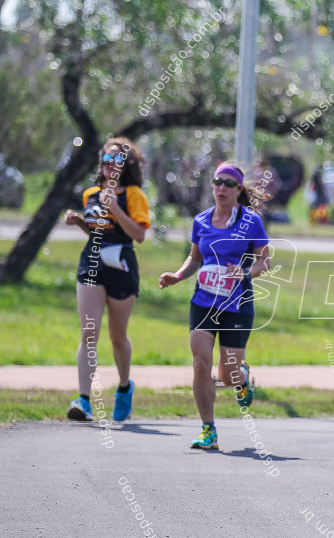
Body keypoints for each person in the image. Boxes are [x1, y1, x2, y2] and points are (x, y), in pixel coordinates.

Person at [158, 162, 272, 450]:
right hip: (203, 302)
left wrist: (245, 273)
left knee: (227, 375)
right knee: (200, 362)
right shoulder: (201, 221)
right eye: (217, 182)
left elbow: (265, 261)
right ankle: (208, 430)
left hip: (237, 304)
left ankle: (242, 377)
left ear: (238, 190)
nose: (221, 188)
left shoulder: (251, 222)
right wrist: (178, 275)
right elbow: (195, 258)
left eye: (228, 184)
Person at [63, 138, 150, 422]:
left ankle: (124, 387)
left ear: (126, 166)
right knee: (89, 332)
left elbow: (138, 235)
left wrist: (115, 208)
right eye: (106, 159)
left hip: (122, 266)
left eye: (117, 160)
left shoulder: (134, 194)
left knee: (117, 338)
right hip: (92, 262)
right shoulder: (91, 194)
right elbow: (97, 231)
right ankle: (84, 400)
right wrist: (78, 221)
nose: (110, 165)